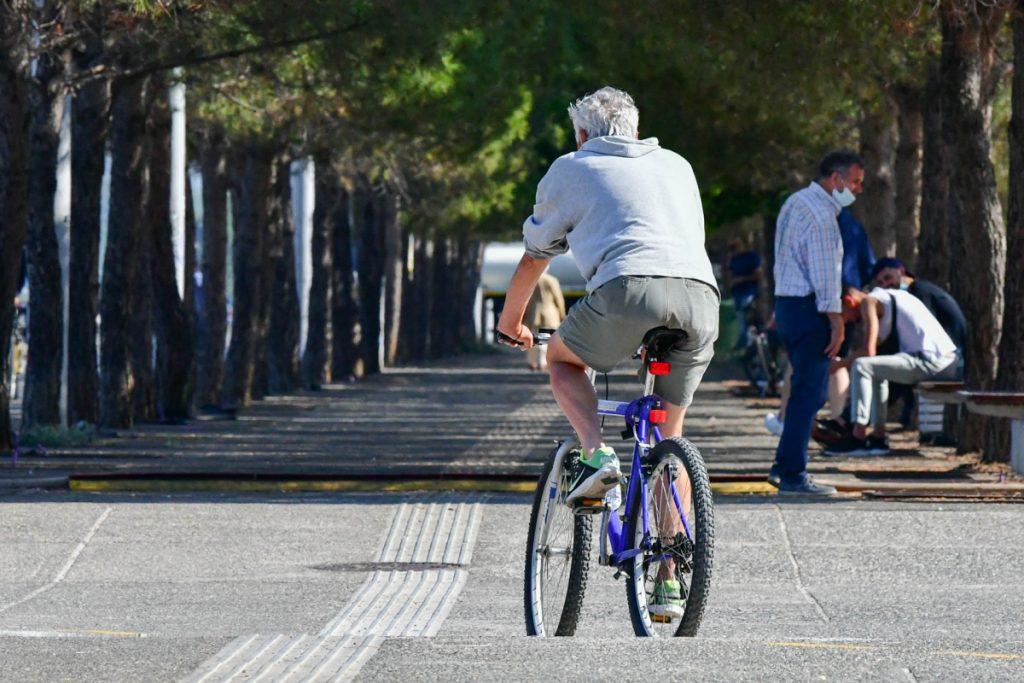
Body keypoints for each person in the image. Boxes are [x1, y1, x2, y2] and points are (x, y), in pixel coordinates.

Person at [496, 87, 718, 506]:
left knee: (562, 358)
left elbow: (534, 256)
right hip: (700, 297)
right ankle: (671, 566)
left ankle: (597, 454)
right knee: (670, 438)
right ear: (636, 131)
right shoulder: (677, 164)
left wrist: (511, 323)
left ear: (581, 135)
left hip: (625, 289)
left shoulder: (572, 167)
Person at [768, 150, 865, 495]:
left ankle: (784, 464)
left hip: (788, 304)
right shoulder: (823, 215)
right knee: (812, 392)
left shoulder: (795, 202)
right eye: (854, 182)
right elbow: (825, 276)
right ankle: (793, 472)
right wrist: (836, 320)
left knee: (803, 391)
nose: (857, 189)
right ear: (835, 179)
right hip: (811, 309)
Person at [824, 287, 961, 455]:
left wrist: (838, 365)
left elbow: (868, 351)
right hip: (947, 361)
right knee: (873, 368)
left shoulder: (869, 302)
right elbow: (874, 350)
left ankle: (857, 437)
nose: (848, 321)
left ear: (849, 301)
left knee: (862, 365)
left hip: (932, 361)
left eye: (843, 316)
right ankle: (878, 439)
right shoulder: (892, 297)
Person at [523, 271, 566, 371]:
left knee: (532, 338)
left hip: (533, 313)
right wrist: (562, 314)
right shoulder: (551, 280)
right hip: (550, 314)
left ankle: (532, 362)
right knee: (545, 339)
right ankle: (542, 362)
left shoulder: (530, 279)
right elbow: (558, 299)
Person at [725, 238, 762, 349]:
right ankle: (745, 348)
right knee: (741, 323)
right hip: (738, 295)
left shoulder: (752, 256)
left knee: (752, 318)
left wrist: (741, 279)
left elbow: (758, 275)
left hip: (750, 293)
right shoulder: (734, 260)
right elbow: (730, 276)